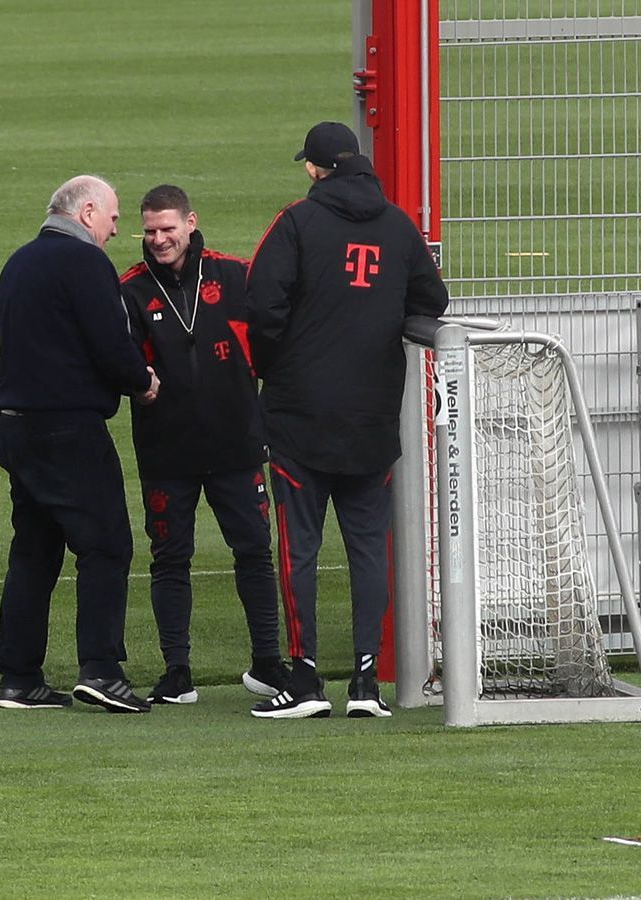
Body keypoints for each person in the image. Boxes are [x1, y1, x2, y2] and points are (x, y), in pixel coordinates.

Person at [246, 122, 450, 719]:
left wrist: (278, 366)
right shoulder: (397, 224)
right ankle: (366, 683)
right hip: (372, 417)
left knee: (298, 550)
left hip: (299, 417)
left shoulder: (297, 223)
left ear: (314, 169)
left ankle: (305, 679)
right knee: (368, 550)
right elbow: (431, 303)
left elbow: (261, 306)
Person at [0, 174, 161, 714]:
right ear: (87, 212)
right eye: (112, 219)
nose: (116, 231)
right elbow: (111, 345)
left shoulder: (18, 262)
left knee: (34, 551)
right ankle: (102, 670)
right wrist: (143, 381)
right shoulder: (85, 263)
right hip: (67, 428)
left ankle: (19, 677)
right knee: (106, 544)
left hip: (16, 425)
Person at [118, 185, 290, 705]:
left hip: (236, 445)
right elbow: (121, 361)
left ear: (191, 222)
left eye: (168, 228)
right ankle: (177, 671)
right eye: (149, 231)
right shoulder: (131, 289)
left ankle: (267, 662)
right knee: (170, 557)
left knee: (254, 552)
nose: (159, 239)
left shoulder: (234, 275)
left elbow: (272, 340)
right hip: (165, 451)